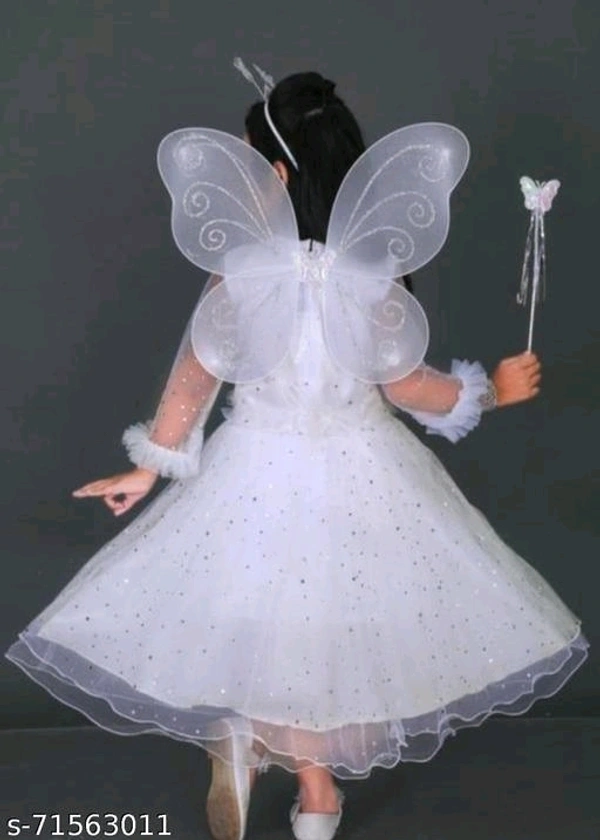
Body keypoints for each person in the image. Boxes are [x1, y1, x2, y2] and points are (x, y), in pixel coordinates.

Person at [6, 70, 589, 840]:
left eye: (251, 163)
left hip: (255, 469)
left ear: (278, 174)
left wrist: (151, 465)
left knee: (260, 619)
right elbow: (406, 385)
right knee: (332, 634)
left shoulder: (246, 269)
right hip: (362, 473)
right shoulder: (369, 274)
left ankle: (251, 742)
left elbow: (198, 370)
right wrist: (494, 393)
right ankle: (315, 797)